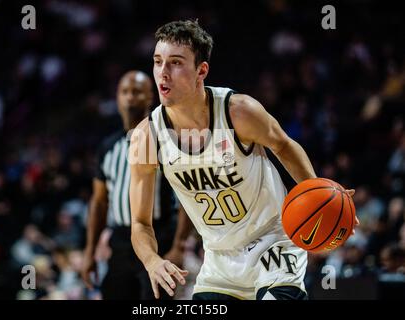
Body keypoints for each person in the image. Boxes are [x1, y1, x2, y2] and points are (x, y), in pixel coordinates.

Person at [129, 20, 359, 300]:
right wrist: (152, 261)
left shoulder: (238, 112)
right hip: (219, 262)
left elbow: (284, 146)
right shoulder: (146, 136)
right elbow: (140, 223)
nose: (163, 73)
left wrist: (321, 198)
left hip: (273, 244)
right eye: (157, 61)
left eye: (175, 63)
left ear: (201, 70)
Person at [81, 70, 192, 300]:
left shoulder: (166, 138)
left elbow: (187, 193)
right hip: (121, 240)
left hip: (160, 236)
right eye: (124, 92)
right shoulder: (107, 147)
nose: (130, 97)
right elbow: (99, 203)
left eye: (137, 92)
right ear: (117, 98)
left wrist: (179, 244)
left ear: (150, 97)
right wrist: (89, 252)